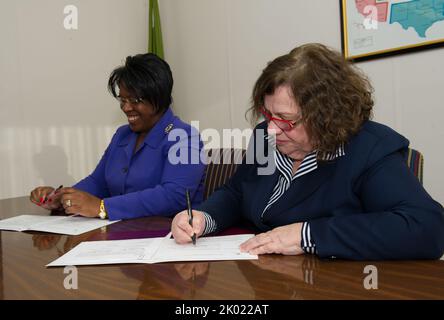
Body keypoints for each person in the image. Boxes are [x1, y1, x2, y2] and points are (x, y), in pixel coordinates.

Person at [171, 43, 444, 260]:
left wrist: (307, 235)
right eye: (268, 115)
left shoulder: (369, 148)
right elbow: (236, 193)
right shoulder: (265, 138)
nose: (272, 130)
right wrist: (202, 219)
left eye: (286, 120)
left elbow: (427, 228)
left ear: (328, 116)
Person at [30, 53, 205, 220]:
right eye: (123, 100)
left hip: (168, 237)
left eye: (135, 100)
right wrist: (62, 198)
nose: (126, 108)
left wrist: (102, 208)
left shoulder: (185, 137)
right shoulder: (123, 135)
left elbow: (174, 197)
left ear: (159, 97)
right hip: (123, 234)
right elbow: (98, 183)